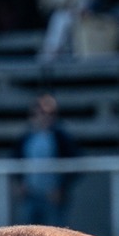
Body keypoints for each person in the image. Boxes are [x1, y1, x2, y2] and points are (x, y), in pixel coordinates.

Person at [15, 95, 78, 227]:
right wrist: (20, 183)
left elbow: (75, 164)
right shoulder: (26, 137)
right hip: (31, 196)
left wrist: (61, 188)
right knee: (27, 235)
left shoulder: (61, 137)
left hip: (53, 197)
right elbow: (14, 160)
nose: (45, 116)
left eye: (49, 113)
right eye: (41, 112)